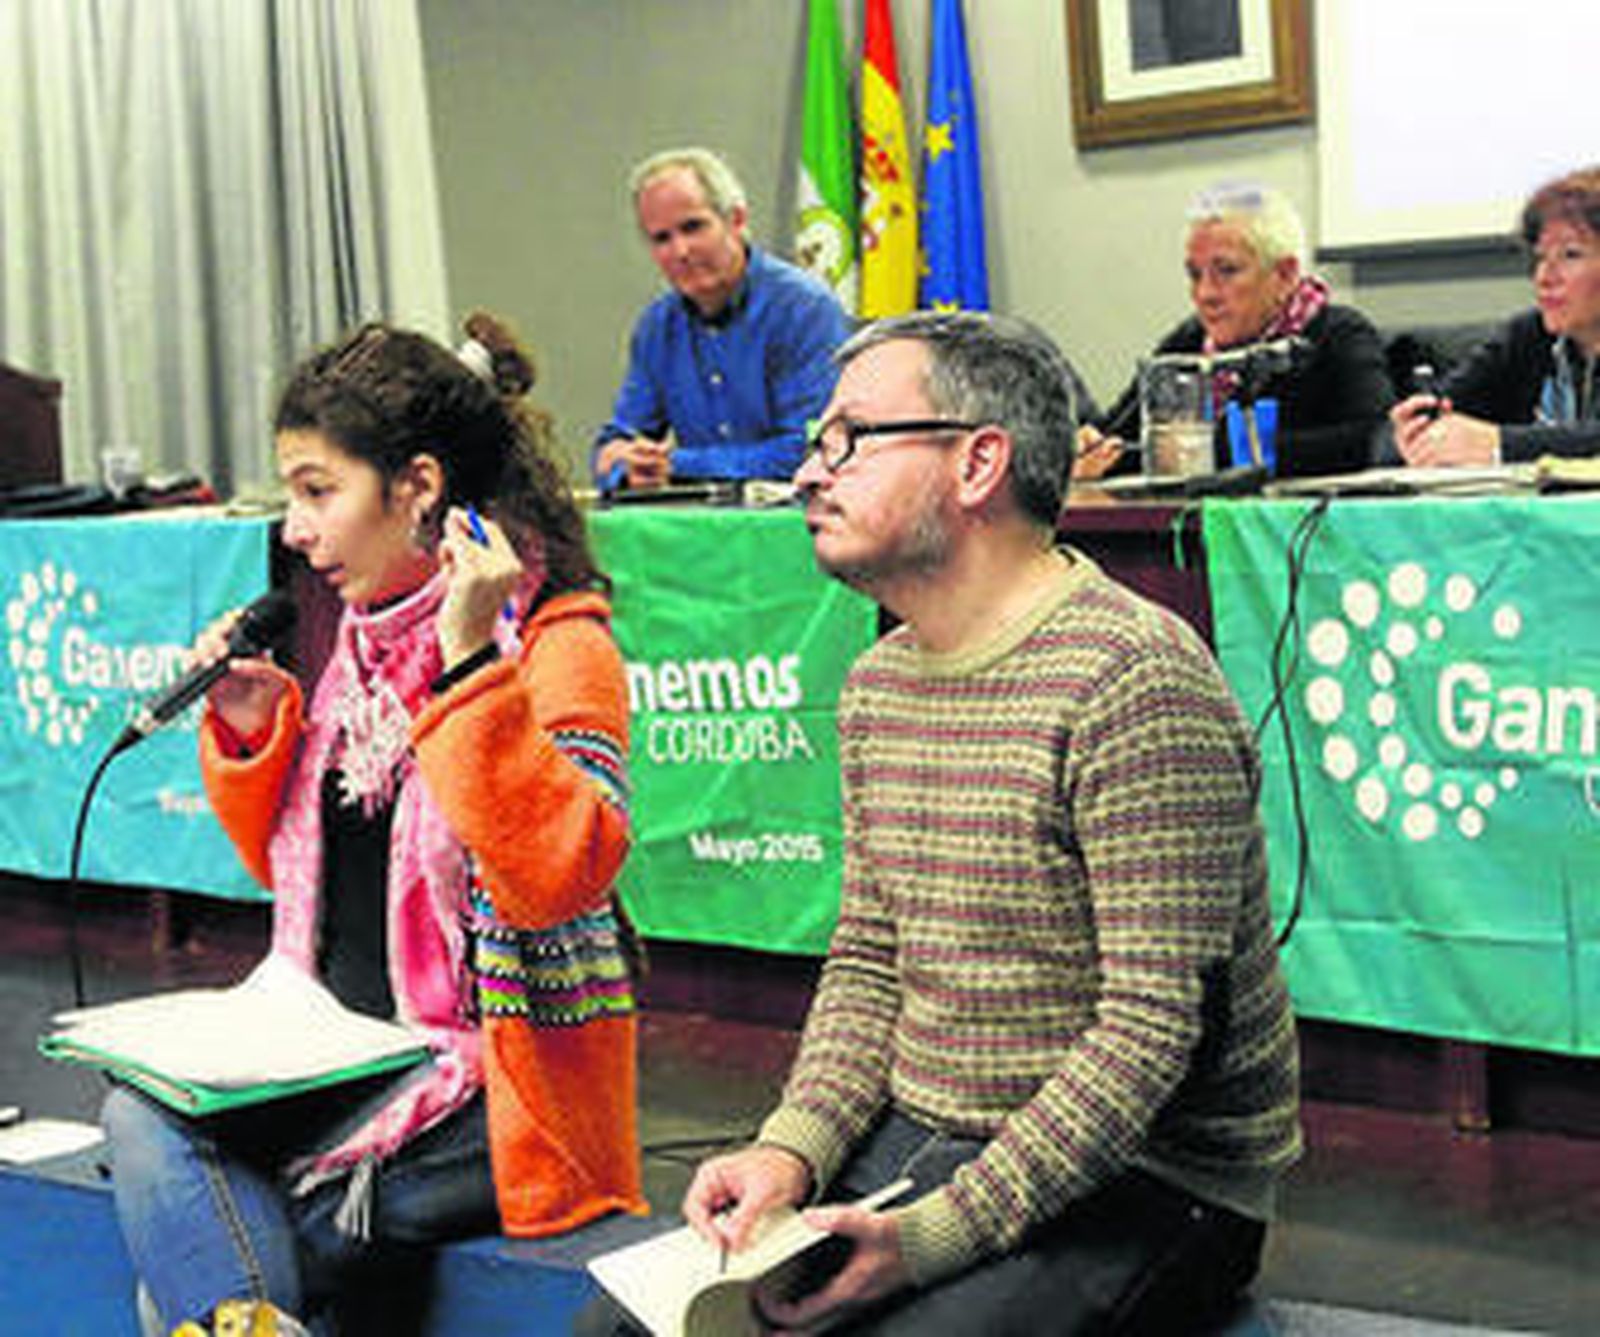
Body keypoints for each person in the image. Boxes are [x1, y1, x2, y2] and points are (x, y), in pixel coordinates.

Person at [584, 311, 1302, 1336]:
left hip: (1152, 1177)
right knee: (616, 1329)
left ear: (977, 462)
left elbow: (1146, 1039)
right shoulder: (877, 683)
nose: (807, 475)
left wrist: (930, 1235)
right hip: (929, 1130)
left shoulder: (1133, 678)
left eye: (847, 440)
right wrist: (790, 1146)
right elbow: (872, 958)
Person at [102, 314, 644, 1336]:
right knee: (140, 1110)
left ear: (418, 487)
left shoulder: (557, 645)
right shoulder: (346, 647)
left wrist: (471, 664)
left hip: (499, 1091)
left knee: (200, 1262)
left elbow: (559, 875)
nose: (296, 529)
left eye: (318, 491)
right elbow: (299, 880)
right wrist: (257, 731)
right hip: (339, 1052)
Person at [1077, 182, 1393, 480]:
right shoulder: (1189, 342)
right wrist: (1091, 449)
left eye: (1226, 271)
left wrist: (1207, 452)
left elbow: (1373, 439)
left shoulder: (1337, 334)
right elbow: (1119, 438)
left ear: (1284, 274)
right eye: (1194, 275)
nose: (1205, 294)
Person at [592, 147, 852, 492]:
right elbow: (616, 443)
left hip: (798, 529)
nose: (681, 251)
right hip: (705, 530)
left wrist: (678, 464)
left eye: (693, 227)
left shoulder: (804, 310)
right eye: (661, 239)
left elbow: (811, 451)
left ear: (737, 220)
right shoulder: (657, 327)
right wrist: (624, 465)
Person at [1387, 165, 1600, 466]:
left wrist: (1501, 444)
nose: (1544, 277)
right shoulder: (1527, 336)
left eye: (1570, 255)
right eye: (1540, 258)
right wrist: (1414, 435)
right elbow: (1388, 441)